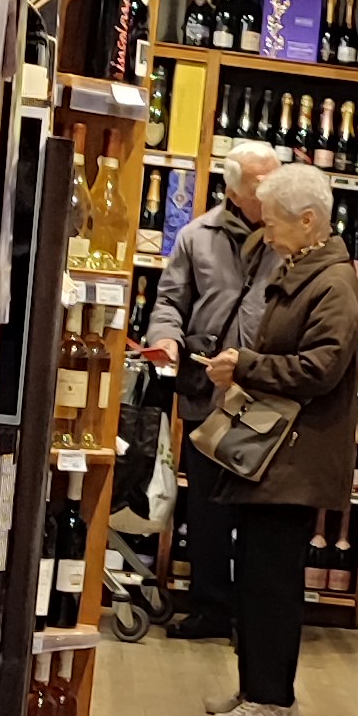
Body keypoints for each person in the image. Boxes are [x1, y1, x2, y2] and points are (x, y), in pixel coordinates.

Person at [201, 161, 358, 716]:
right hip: (277, 454)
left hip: (297, 458)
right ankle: (256, 687)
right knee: (255, 575)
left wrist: (247, 365)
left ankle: (273, 701)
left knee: (272, 582)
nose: (265, 233)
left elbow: (320, 369)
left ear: (308, 220)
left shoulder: (334, 285)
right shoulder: (302, 270)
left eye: (272, 223)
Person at [141, 136, 274, 637]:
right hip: (207, 395)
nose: (273, 190)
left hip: (266, 395)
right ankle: (210, 609)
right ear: (233, 190)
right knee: (207, 510)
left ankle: (253, 618)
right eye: (262, 183)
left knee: (260, 512)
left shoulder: (290, 240)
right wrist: (165, 339)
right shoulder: (196, 236)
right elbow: (169, 301)